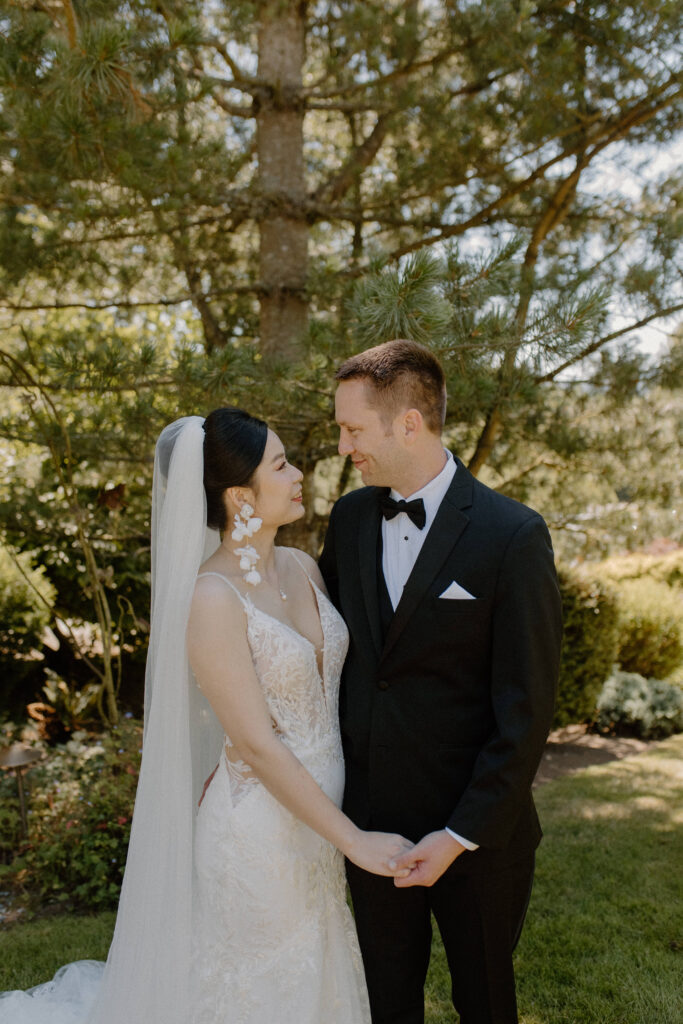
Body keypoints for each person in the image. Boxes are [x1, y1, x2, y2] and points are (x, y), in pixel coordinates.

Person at [0, 409, 412, 1024]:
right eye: (281, 464)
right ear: (239, 494)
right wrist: (353, 840)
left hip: (321, 817)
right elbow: (255, 740)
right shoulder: (212, 597)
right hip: (259, 832)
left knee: (316, 977)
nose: (298, 473)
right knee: (261, 989)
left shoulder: (301, 567)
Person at [319, 340, 563, 1024]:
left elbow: (526, 709)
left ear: (408, 424)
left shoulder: (511, 535)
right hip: (370, 828)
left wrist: (458, 835)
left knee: (483, 999)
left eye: (352, 429)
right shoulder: (348, 519)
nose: (344, 447)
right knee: (385, 1003)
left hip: (478, 834)